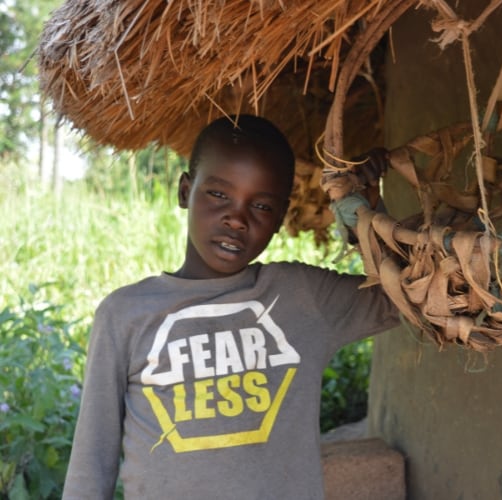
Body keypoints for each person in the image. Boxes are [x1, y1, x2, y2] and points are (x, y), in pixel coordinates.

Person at [62, 115, 398, 499]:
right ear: (185, 191)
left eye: (261, 206)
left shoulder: (302, 297)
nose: (237, 219)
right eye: (219, 195)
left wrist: (364, 206)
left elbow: (399, 297)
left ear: (279, 219)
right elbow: (91, 467)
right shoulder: (124, 314)